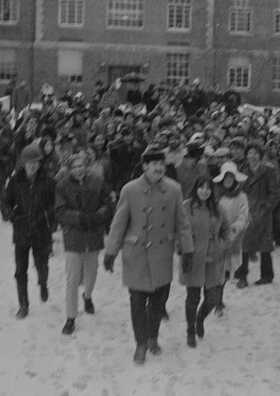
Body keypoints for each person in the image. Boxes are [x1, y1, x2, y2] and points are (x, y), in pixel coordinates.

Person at [104, 146, 194, 364]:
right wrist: (110, 251)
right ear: (145, 166)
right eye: (154, 165)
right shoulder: (130, 190)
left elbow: (183, 223)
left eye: (162, 165)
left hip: (161, 254)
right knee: (137, 303)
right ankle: (141, 344)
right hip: (136, 254)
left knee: (157, 302)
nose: (158, 168)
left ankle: (153, 337)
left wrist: (188, 250)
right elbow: (119, 223)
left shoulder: (174, 190)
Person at [55, 152, 115, 335]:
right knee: (72, 278)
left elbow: (107, 202)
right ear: (69, 169)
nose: (79, 169)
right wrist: (79, 218)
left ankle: (87, 296)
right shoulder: (62, 186)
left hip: (93, 234)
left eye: (81, 165)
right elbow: (60, 211)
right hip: (73, 235)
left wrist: (99, 216)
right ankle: (70, 317)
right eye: (74, 167)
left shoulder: (96, 181)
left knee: (92, 271)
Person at [5, 143, 57, 319]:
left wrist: (46, 217)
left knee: (42, 264)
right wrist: (13, 216)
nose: (33, 165)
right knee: (20, 270)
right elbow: (6, 203)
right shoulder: (15, 181)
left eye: (36, 162)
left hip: (41, 230)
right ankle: (23, 305)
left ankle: (43, 283)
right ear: (23, 163)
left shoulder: (49, 181)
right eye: (29, 162)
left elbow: (55, 204)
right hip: (21, 231)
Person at [179, 176, 225, 348]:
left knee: (213, 297)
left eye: (208, 188)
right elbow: (179, 230)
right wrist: (183, 250)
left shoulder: (217, 207)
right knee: (193, 297)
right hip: (193, 256)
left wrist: (223, 245)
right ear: (196, 188)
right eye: (201, 187)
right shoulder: (186, 206)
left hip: (213, 257)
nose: (204, 191)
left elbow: (227, 229)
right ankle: (190, 331)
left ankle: (200, 318)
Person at [235, 141, 280, 288]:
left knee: (265, 245)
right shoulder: (243, 170)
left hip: (262, 211)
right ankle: (242, 276)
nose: (251, 156)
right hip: (247, 210)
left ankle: (267, 275)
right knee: (244, 244)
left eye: (255, 153)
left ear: (260, 156)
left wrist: (267, 207)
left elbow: (275, 192)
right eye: (249, 153)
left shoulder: (268, 170)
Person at [212, 161, 249, 316]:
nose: (228, 180)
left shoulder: (241, 196)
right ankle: (217, 301)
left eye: (231, 177)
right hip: (215, 238)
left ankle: (219, 298)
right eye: (225, 177)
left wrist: (233, 228)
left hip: (233, 238)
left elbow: (243, 216)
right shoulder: (215, 195)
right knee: (217, 270)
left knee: (226, 271)